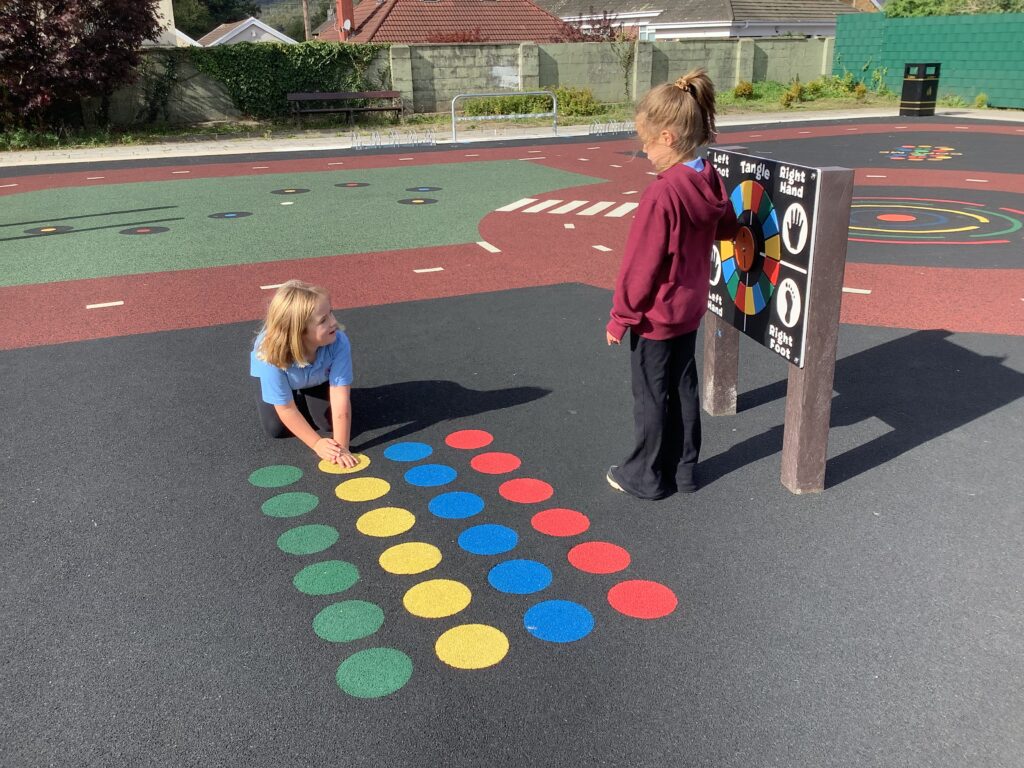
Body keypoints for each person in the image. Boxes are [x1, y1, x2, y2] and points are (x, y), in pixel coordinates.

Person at [605, 68, 739, 500]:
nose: (644, 151)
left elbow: (641, 266)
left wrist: (621, 316)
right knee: (683, 390)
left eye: (646, 142)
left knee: (651, 395)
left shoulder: (662, 193)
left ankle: (644, 476)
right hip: (690, 309)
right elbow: (727, 227)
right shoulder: (709, 178)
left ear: (667, 137)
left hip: (657, 316)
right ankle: (684, 471)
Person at [250, 280, 358, 468]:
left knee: (328, 423)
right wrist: (316, 444)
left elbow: (339, 397)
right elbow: (286, 409)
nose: (333, 322)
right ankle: (293, 397)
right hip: (287, 378)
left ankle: (307, 398)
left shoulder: (338, 342)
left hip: (317, 378)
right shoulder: (269, 355)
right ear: (299, 332)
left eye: (331, 312)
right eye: (323, 320)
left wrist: (341, 448)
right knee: (276, 428)